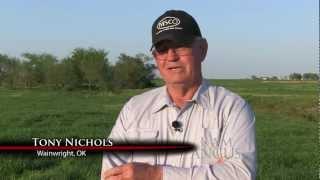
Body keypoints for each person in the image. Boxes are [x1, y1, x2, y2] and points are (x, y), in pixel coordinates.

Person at [101, 10, 257, 180]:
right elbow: (111, 175)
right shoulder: (134, 109)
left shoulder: (231, 108)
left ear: (202, 49)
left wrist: (155, 174)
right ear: (155, 57)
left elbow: (241, 175)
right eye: (162, 49)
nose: (171, 56)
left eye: (180, 45)